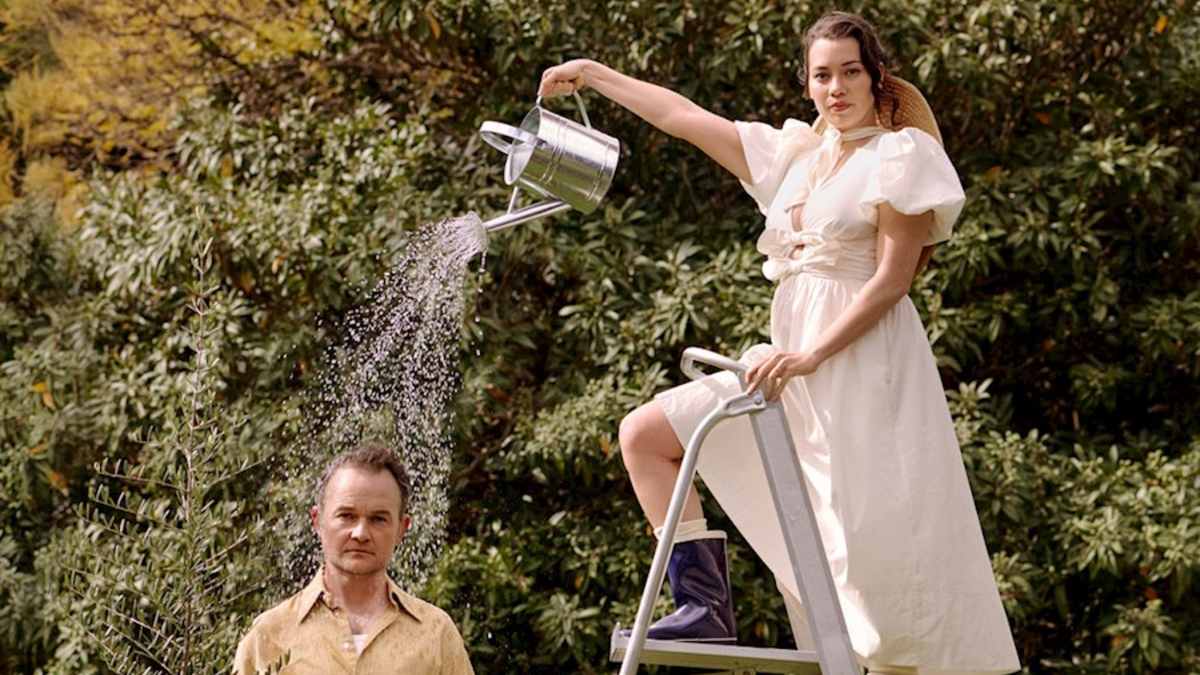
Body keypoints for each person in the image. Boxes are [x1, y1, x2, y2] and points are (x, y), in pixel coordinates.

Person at [539, 10, 1021, 675]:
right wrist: (593, 75)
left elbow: (891, 280)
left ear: (876, 78)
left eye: (851, 71)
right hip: (786, 368)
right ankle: (705, 604)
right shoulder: (795, 156)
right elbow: (683, 118)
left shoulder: (900, 155)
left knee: (869, 562)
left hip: (859, 366)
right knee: (645, 433)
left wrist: (810, 353)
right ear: (808, 84)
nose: (837, 88)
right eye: (823, 75)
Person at [234, 444, 474, 674]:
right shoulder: (269, 635)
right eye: (346, 515)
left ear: (402, 528)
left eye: (378, 519)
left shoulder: (436, 634)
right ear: (317, 521)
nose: (360, 533)